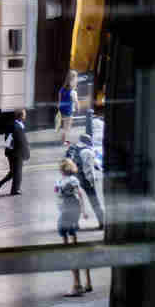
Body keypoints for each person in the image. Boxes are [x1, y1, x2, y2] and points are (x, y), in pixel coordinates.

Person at [55, 158, 91, 295]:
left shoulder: (71, 180)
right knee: (71, 240)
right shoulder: (62, 180)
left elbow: (79, 195)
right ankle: (86, 282)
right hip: (66, 210)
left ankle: (77, 285)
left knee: (69, 245)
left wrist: (84, 211)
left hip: (69, 211)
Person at [70, 131, 104, 229]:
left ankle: (74, 224)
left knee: (75, 201)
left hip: (74, 178)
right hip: (84, 179)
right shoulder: (86, 151)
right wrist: (91, 181)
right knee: (94, 201)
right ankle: (102, 222)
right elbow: (88, 168)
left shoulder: (75, 149)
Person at [0, 108, 30, 196]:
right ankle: (15, 190)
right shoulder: (17, 126)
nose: (25, 116)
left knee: (13, 172)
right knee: (18, 172)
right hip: (17, 153)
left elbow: (8, 139)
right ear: (21, 116)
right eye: (24, 115)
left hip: (12, 152)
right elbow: (21, 142)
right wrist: (26, 152)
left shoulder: (14, 125)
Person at [58, 70, 79, 144]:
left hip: (62, 110)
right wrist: (78, 108)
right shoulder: (73, 92)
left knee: (64, 126)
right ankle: (65, 141)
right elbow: (76, 102)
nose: (77, 80)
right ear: (73, 80)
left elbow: (59, 100)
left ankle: (63, 140)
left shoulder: (61, 90)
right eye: (76, 79)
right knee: (67, 127)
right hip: (69, 111)